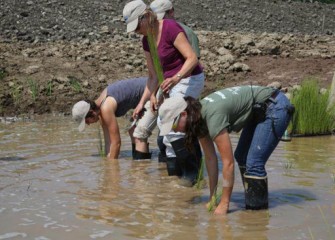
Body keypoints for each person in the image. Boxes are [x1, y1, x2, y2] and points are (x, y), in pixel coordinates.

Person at [158, 85, 294, 214]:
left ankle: (257, 215)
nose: (176, 130)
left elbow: (227, 162)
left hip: (275, 106)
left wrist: (224, 203)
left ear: (183, 114)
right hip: (260, 110)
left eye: (174, 125)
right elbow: (211, 159)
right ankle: (251, 206)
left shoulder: (212, 116)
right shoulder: (197, 119)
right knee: (241, 156)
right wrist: (213, 198)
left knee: (253, 163)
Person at [122, 0, 205, 184]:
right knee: (163, 127)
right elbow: (153, 76)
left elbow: (192, 59)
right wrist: (150, 96)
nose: (136, 32)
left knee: (173, 126)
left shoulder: (169, 28)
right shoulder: (146, 41)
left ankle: (193, 175)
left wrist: (176, 77)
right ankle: (174, 179)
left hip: (188, 78)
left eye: (137, 26)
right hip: (167, 84)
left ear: (146, 17)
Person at [71, 77, 150, 160]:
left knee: (139, 135)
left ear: (92, 112)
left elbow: (116, 143)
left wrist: (112, 168)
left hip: (151, 90)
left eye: (86, 121)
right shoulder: (100, 110)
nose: (88, 124)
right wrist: (107, 162)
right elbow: (108, 142)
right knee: (132, 130)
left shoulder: (105, 108)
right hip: (142, 98)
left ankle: (141, 169)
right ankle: (137, 164)